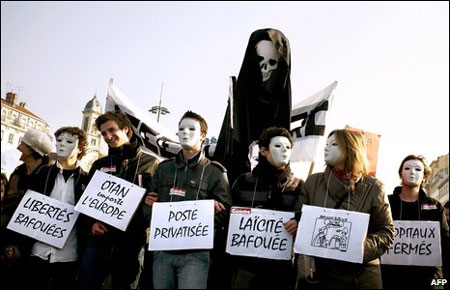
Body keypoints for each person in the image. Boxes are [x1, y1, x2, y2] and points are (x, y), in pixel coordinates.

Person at [144, 110, 232, 289]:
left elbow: (226, 210)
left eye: (191, 129)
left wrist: (206, 220)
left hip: (196, 255)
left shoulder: (215, 172)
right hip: (162, 251)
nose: (185, 132)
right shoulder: (163, 168)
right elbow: (148, 203)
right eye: (181, 128)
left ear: (203, 136)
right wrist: (150, 211)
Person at [300, 129, 394, 289]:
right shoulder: (312, 182)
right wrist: (296, 224)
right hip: (324, 274)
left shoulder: (375, 187)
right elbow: (301, 219)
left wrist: (358, 249)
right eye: (327, 144)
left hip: (363, 275)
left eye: (334, 144)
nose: (326, 148)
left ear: (351, 149)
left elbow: (387, 232)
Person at [78, 111, 159, 290]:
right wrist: (92, 224)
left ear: (126, 129)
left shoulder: (151, 163)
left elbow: (159, 203)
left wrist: (154, 202)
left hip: (132, 242)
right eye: (103, 133)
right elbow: (85, 202)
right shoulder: (99, 165)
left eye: (112, 130)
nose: (108, 136)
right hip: (100, 240)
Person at [229, 127, 303, 290]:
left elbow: (305, 220)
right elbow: (229, 216)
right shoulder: (243, 181)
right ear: (263, 150)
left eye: (288, 147)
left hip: (280, 269)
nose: (284, 150)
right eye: (278, 146)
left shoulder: (299, 186)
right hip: (245, 268)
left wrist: (299, 223)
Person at [21, 126, 90, 290]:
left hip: (68, 255)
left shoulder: (87, 181)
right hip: (37, 251)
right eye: (59, 140)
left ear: (80, 148)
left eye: (69, 141)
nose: (62, 145)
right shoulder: (41, 174)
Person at [381, 155, 449, 290]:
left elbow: (445, 243)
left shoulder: (435, 206)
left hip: (426, 280)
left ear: (425, 176)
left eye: (418, 169)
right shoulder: (386, 203)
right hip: (390, 278)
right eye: (407, 168)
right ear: (400, 174)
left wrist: (443, 282)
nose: (412, 172)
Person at [0, 129, 53, 289]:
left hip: (30, 239)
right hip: (8, 230)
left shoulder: (48, 174)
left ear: (32, 149)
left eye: (23, 144)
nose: (18, 147)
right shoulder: (18, 171)